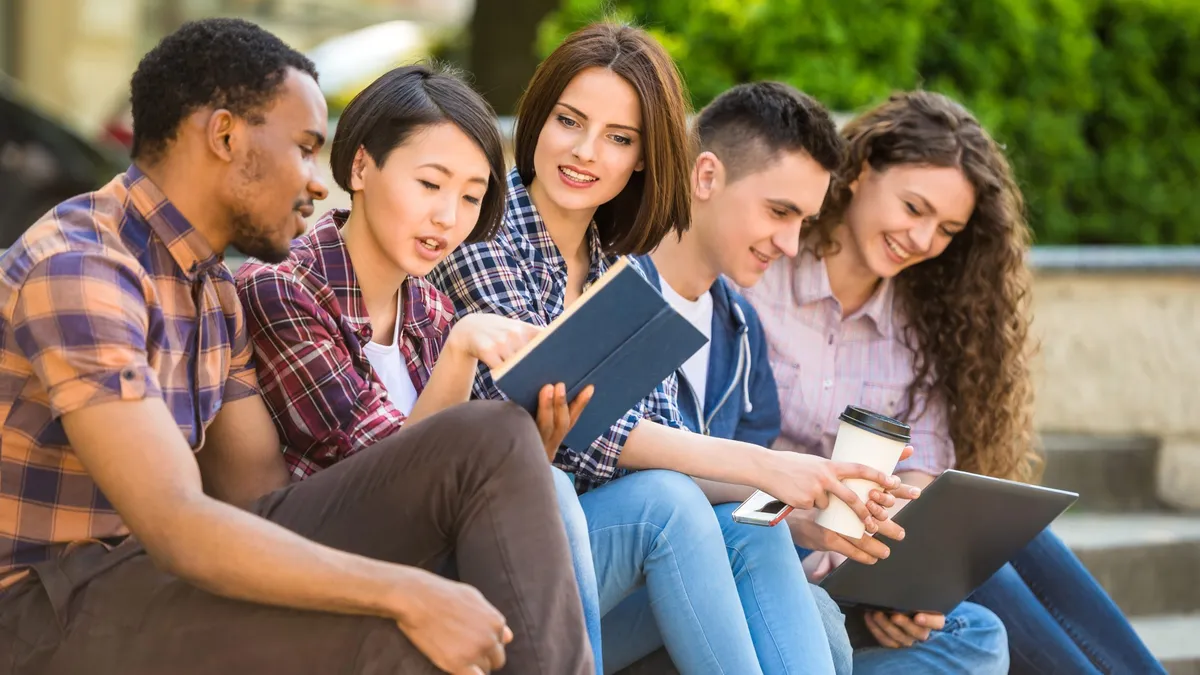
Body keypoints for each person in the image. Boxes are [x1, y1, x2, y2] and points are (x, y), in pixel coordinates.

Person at [0, 19, 591, 675]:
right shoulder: (84, 269)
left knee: (491, 436)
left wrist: (466, 502)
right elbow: (175, 521)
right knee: (401, 641)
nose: (318, 181)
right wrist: (406, 592)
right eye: (306, 148)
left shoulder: (213, 292)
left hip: (150, 583)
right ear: (225, 136)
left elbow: (265, 501)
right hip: (48, 612)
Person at [431, 22, 905, 675]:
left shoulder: (618, 265)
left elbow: (668, 438)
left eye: (619, 138)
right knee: (669, 505)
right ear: (538, 118)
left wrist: (801, 488)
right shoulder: (482, 230)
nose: (586, 152)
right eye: (569, 121)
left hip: (591, 566)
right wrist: (763, 467)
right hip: (495, 555)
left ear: (644, 157)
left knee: (748, 526)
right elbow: (572, 429)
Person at [743, 89, 1164, 675]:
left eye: (946, 229)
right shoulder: (760, 272)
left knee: (1010, 542)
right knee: (985, 587)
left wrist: (915, 564)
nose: (922, 241)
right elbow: (733, 462)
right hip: (786, 550)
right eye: (914, 208)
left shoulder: (918, 322)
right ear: (862, 172)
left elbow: (927, 466)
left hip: (872, 553)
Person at [626, 81, 1008, 675]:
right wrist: (784, 490)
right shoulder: (634, 287)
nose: (789, 242)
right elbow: (616, 461)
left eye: (802, 220)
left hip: (768, 545)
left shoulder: (737, 327)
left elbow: (746, 495)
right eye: (780, 214)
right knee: (799, 594)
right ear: (705, 177)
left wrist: (808, 521)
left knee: (980, 624)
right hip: (644, 560)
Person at [234, 62, 604, 671]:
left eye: (470, 197)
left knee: (648, 504)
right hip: (326, 568)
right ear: (360, 168)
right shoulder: (282, 289)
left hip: (428, 557)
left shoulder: (427, 305)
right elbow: (386, 479)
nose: (448, 218)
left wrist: (534, 448)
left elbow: (452, 483)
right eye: (430, 184)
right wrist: (461, 352)